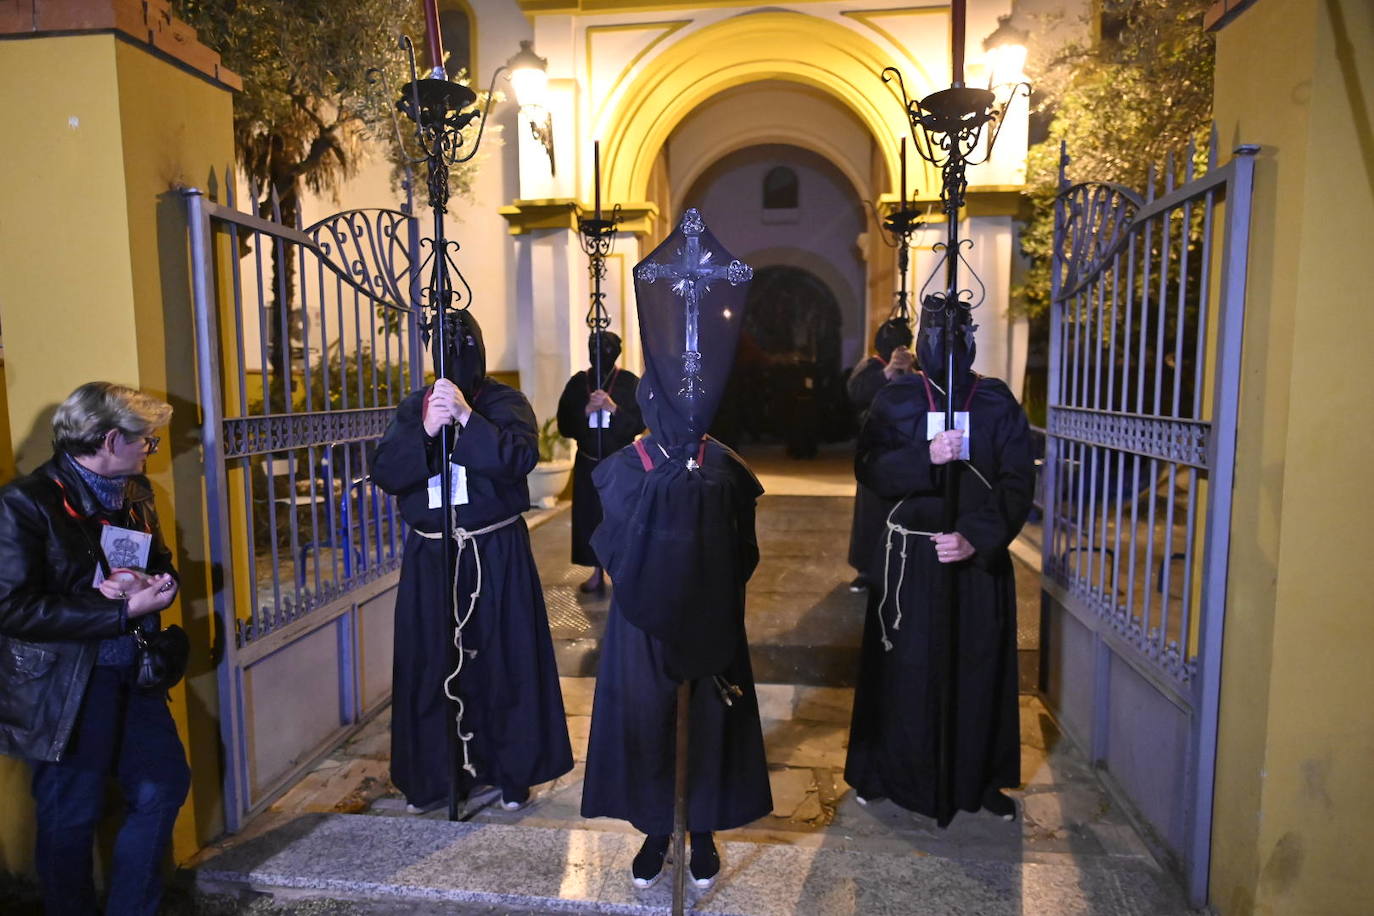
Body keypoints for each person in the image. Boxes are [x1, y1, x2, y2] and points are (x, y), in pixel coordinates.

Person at [581, 209, 771, 891]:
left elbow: (745, 556)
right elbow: (613, 551)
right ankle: (656, 830)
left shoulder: (723, 466)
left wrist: (705, 575)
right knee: (649, 723)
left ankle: (703, 828)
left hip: (713, 624)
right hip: (642, 631)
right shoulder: (626, 466)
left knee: (711, 728)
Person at [371, 310, 572, 814]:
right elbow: (387, 473)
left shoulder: (505, 402)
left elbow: (517, 460)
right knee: (431, 663)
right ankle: (437, 777)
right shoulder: (416, 404)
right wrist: (425, 429)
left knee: (502, 661)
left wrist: (464, 418)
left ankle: (510, 772)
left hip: (493, 553)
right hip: (432, 557)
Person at [0, 381, 187, 916]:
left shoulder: (135, 495)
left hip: (134, 673)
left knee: (163, 787)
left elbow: (164, 564)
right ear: (110, 439)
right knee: (70, 817)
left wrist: (156, 586)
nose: (151, 451)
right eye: (146, 441)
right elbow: (11, 609)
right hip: (65, 687)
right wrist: (114, 609)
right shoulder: (25, 504)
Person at [845, 304, 1035, 823]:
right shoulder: (897, 397)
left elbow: (1018, 479)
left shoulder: (995, 400)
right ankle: (886, 772)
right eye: (935, 332)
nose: (945, 341)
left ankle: (979, 778)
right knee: (905, 670)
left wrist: (977, 537)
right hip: (913, 562)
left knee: (977, 667)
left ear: (971, 338)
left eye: (956, 331)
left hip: (974, 562)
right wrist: (924, 458)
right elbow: (870, 468)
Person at [555, 331, 643, 594]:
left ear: (617, 351)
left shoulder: (628, 382)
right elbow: (564, 425)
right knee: (591, 520)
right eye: (594, 346)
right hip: (588, 463)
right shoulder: (578, 382)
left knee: (621, 518)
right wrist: (586, 411)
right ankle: (596, 573)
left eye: (606, 347)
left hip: (620, 464)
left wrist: (613, 407)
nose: (600, 352)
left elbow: (640, 423)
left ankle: (623, 573)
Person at [845, 316, 915, 593]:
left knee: (903, 512)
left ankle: (903, 568)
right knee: (870, 514)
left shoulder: (913, 367)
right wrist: (887, 372)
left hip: (907, 450)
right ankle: (866, 570)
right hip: (875, 450)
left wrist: (908, 371)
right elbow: (855, 393)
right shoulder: (871, 365)